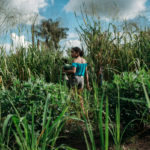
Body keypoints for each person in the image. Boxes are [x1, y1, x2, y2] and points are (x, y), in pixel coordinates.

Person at [62, 47, 90, 115]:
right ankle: (82, 112)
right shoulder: (84, 61)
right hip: (82, 80)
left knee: (73, 96)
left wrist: (64, 71)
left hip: (75, 79)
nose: (71, 54)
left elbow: (73, 71)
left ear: (77, 53)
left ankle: (74, 112)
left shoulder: (74, 61)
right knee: (79, 96)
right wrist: (88, 84)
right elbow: (86, 73)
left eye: (72, 52)